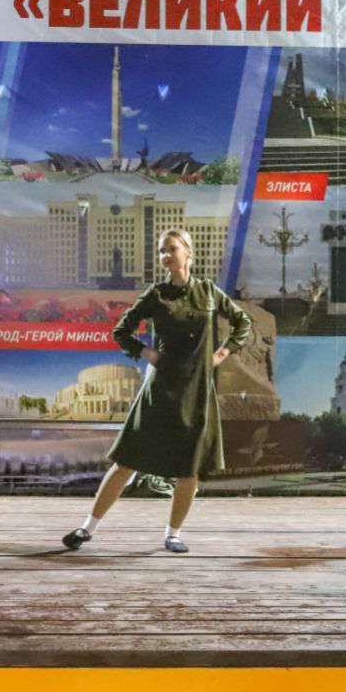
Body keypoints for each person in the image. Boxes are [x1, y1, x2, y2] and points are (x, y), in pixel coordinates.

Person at [61, 228, 251, 554]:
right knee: (126, 461)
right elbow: (121, 330)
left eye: (172, 249)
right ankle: (86, 528)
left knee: (189, 469)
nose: (166, 255)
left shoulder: (208, 292)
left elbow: (242, 322)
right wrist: (146, 352)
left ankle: (173, 535)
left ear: (188, 253)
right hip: (159, 391)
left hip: (196, 391)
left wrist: (222, 353)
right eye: (162, 251)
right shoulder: (156, 294)